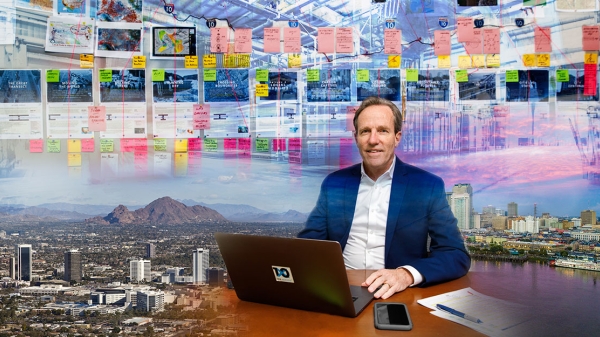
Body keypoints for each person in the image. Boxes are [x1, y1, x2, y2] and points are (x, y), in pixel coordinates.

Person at [298, 96, 470, 300]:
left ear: (397, 137)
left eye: (382, 130)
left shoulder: (427, 186)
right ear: (356, 138)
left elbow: (455, 253)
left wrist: (405, 274)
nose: (373, 140)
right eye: (365, 131)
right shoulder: (334, 183)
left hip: (396, 294)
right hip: (339, 290)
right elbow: (309, 245)